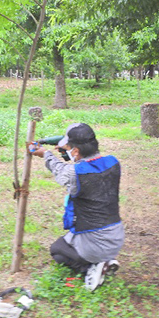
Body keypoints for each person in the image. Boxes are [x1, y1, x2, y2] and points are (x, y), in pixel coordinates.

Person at [30, 123, 124, 291]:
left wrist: (45, 154)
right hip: (116, 236)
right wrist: (67, 152)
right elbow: (86, 167)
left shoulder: (74, 174)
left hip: (96, 242)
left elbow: (62, 171)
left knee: (57, 250)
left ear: (75, 151)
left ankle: (91, 269)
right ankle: (106, 261)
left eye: (69, 147)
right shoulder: (113, 163)